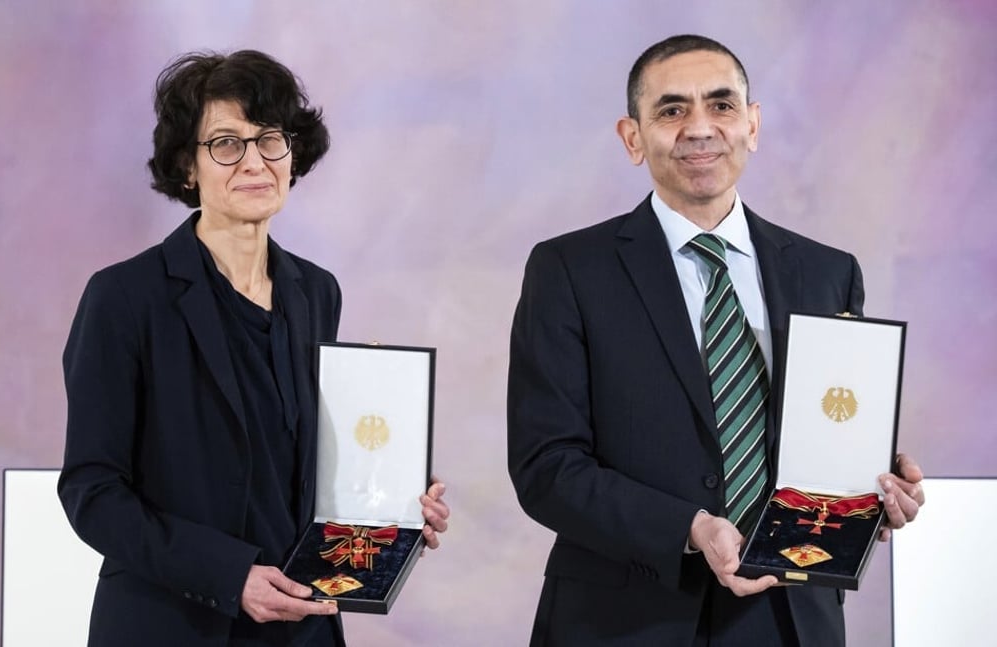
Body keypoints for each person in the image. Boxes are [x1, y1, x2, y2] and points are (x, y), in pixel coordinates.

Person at [507, 34, 924, 646]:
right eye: (672, 110)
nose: (700, 128)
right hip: (625, 619)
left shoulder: (827, 272)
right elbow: (546, 467)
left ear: (751, 126)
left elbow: (829, 429)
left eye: (722, 106)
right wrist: (692, 527)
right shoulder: (569, 269)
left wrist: (873, 484)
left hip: (790, 617)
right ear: (632, 137)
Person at [58, 50, 449, 647]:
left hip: (301, 624)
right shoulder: (123, 297)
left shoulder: (317, 291)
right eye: (225, 143)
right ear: (187, 167)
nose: (254, 163)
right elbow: (93, 492)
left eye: (270, 139)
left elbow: (305, 466)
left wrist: (392, 507)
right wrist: (228, 575)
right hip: (173, 623)